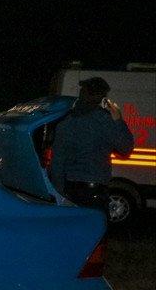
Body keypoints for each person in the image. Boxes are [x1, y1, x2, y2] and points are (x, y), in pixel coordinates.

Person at [48, 77, 134, 215]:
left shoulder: (66, 121)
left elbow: (57, 161)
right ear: (101, 97)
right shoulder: (105, 120)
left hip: (69, 189)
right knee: (94, 231)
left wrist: (59, 193)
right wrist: (118, 119)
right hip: (94, 191)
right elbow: (126, 148)